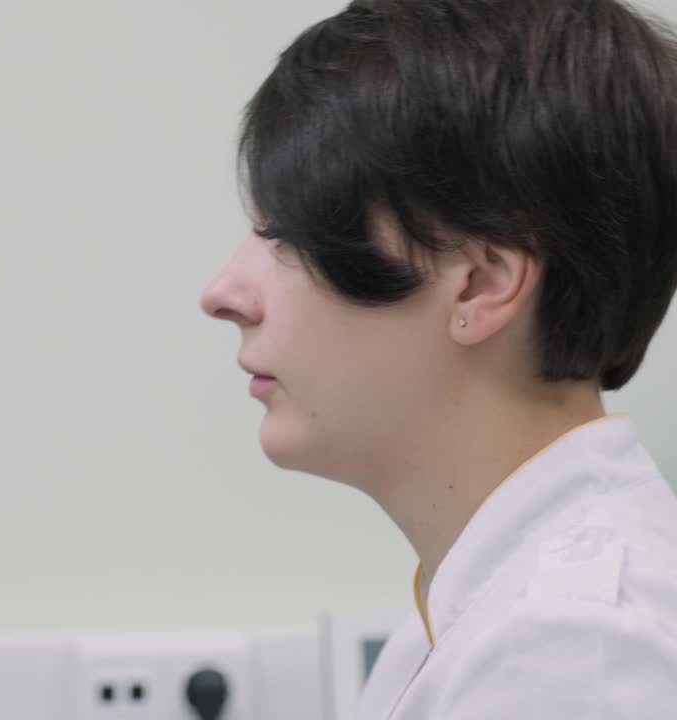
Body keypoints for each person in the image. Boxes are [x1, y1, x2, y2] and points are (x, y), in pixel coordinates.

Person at [200, 0, 677, 717]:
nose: (223, 293)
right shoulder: (482, 612)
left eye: (285, 236)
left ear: (482, 281)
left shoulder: (574, 650)